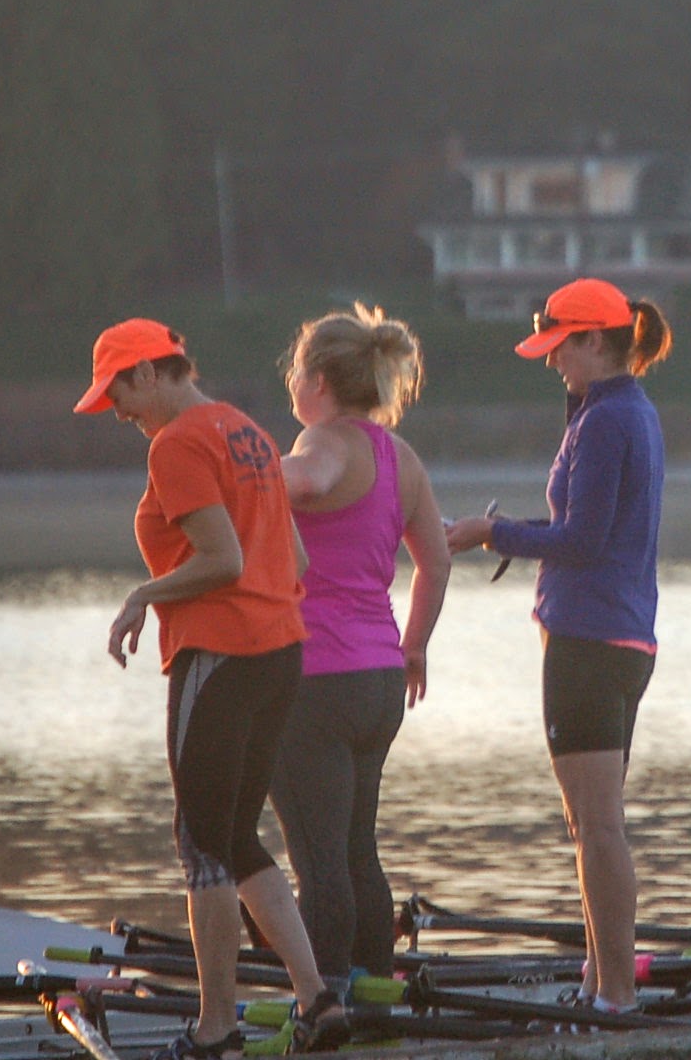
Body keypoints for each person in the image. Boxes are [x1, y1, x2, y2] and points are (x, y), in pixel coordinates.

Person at [76, 318, 335, 1057]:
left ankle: (216, 1027)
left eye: (120, 392)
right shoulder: (248, 432)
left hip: (219, 657)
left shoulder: (179, 442)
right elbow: (298, 556)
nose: (119, 412)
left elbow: (222, 560)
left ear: (152, 372)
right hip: (278, 653)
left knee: (201, 847)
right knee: (234, 838)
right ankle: (318, 1000)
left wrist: (143, 596)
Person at [443, 277, 671, 1014]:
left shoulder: (609, 421)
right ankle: (599, 977)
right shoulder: (616, 410)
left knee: (598, 827)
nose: (551, 362)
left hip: (589, 641)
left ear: (596, 341)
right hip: (620, 636)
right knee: (589, 824)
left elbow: (582, 539)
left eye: (560, 347)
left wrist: (490, 534)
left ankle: (617, 996)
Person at [269, 304, 452, 983]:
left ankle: (324, 1006)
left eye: (295, 370)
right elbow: (435, 560)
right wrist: (415, 647)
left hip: (314, 682)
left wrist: (233, 472)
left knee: (319, 864)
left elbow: (306, 481)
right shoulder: (399, 456)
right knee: (356, 854)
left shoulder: (320, 441)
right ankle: (374, 1003)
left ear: (317, 381)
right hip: (380, 679)